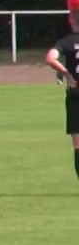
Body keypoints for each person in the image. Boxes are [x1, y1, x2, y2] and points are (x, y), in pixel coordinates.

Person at [43, 11, 79, 181]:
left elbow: (50, 58)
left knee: (78, 145)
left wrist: (65, 72)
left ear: (71, 19)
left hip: (75, 94)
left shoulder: (66, 42)